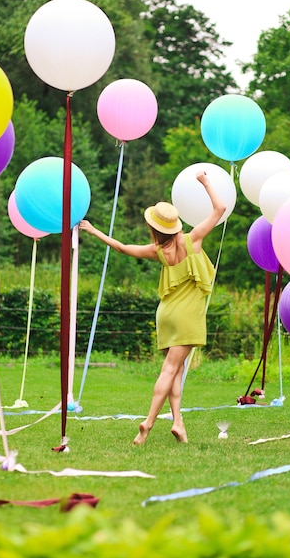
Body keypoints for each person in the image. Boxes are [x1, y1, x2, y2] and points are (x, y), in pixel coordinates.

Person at [79, 171, 226, 445]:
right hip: (187, 316)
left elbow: (122, 248)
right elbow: (220, 209)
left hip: (167, 313)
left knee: (177, 368)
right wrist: (206, 182)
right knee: (170, 370)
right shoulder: (192, 240)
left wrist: (93, 230)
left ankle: (179, 423)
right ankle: (147, 423)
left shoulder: (158, 251)